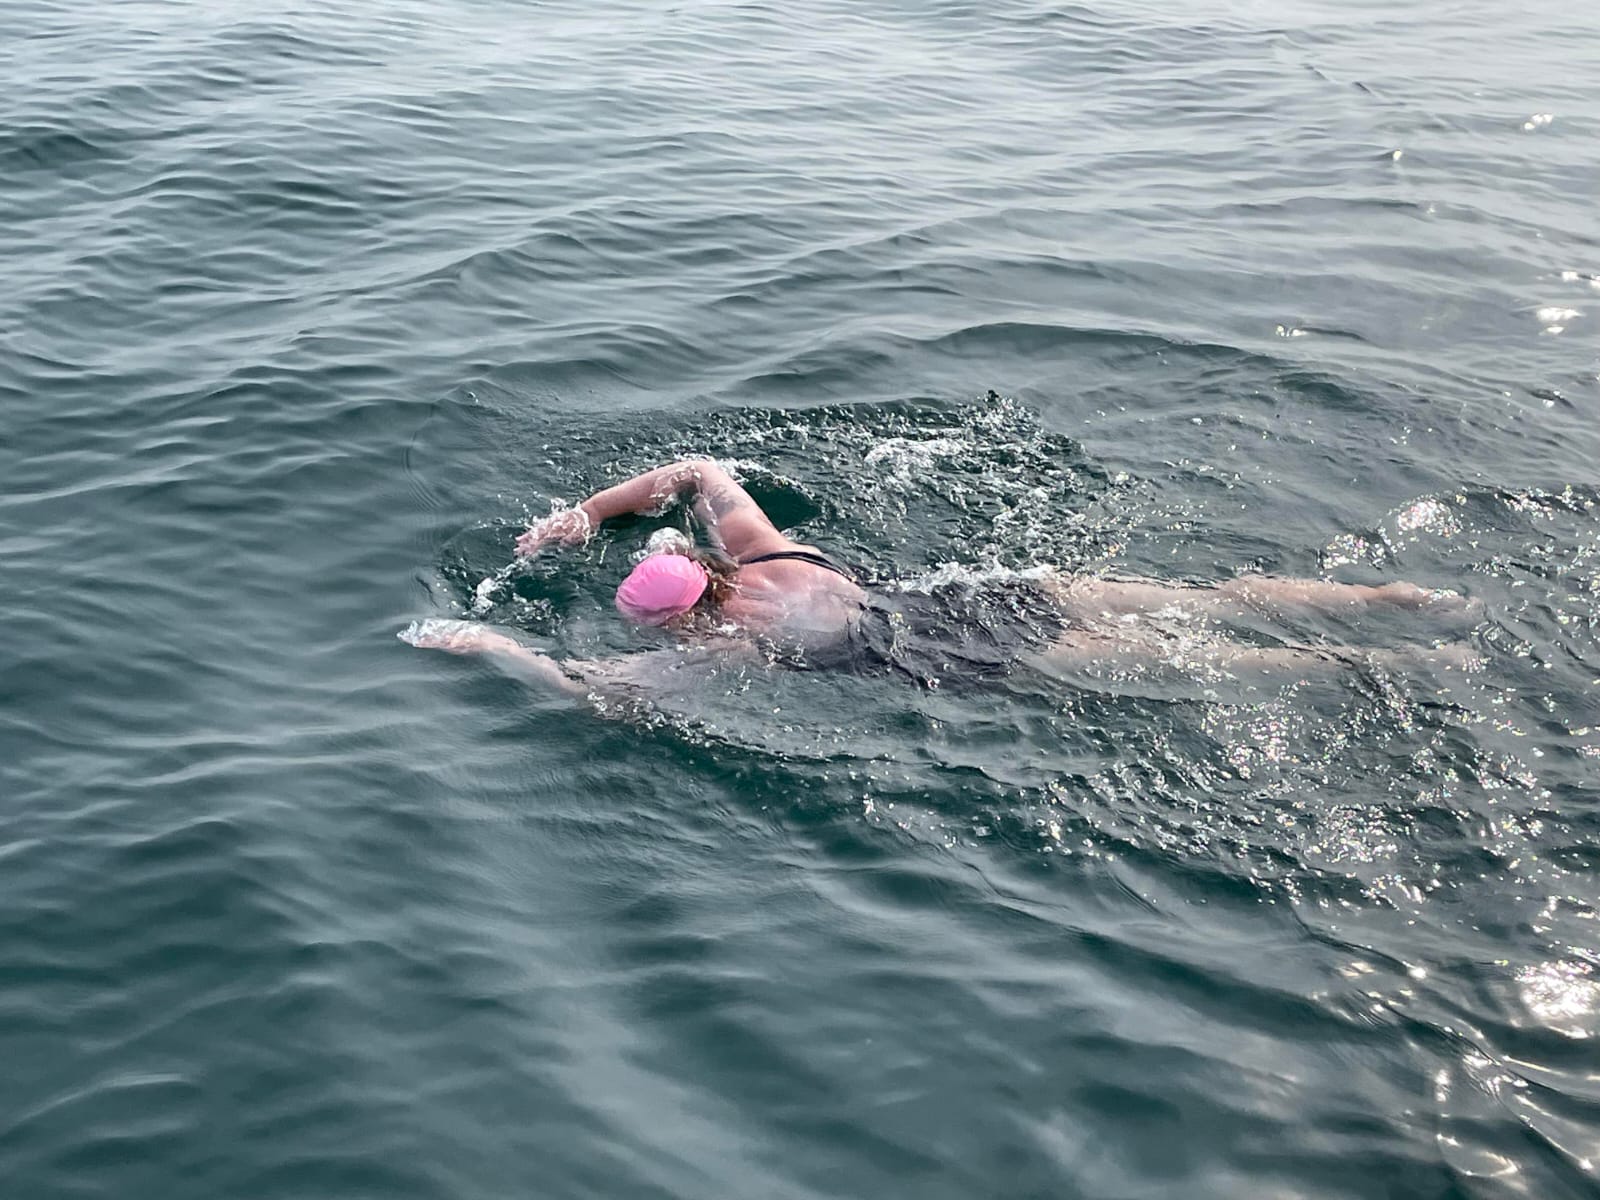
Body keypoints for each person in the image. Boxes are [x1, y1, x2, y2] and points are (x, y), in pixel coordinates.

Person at [402, 459, 1479, 694]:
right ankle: (1400, 605)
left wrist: (490, 640)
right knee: (1202, 606)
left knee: (1193, 661)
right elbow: (698, 470)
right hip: (976, 598)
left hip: (945, 656)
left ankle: (1355, 667)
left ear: (680, 625)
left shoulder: (726, 652)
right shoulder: (767, 553)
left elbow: (591, 695)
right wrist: (586, 516)